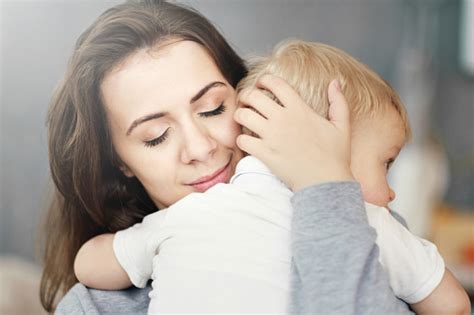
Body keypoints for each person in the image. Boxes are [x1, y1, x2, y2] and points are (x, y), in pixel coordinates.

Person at [37, 0, 459, 314]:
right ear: (120, 165)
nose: (201, 148)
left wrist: (325, 187)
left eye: (214, 109)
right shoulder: (95, 306)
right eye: (156, 136)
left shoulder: (354, 221)